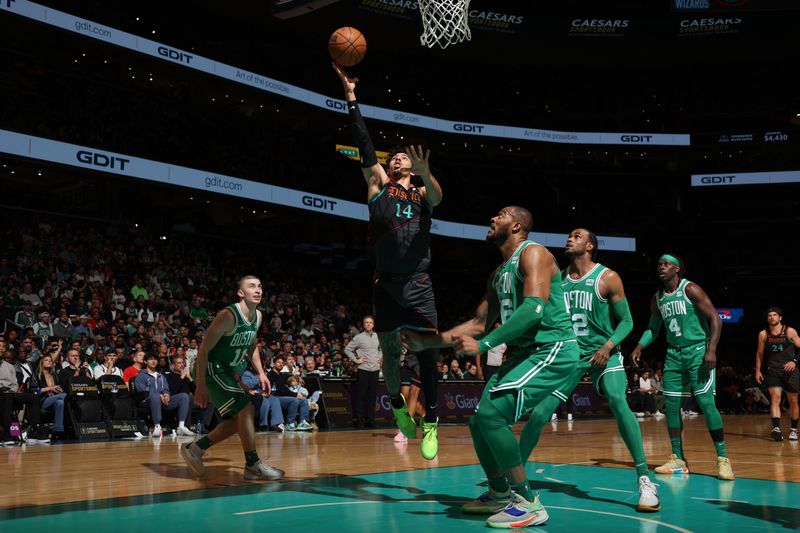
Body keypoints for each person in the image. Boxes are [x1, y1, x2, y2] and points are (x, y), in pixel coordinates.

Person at [404, 206, 578, 528]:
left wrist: (483, 346)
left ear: (515, 226)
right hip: (525, 353)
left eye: (499, 215)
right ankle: (499, 493)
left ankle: (527, 501)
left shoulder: (534, 254)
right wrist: (428, 342)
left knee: (491, 415)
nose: (491, 219)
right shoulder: (498, 274)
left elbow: (534, 309)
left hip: (553, 348)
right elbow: (480, 322)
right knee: (479, 422)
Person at [333, 62, 444, 460]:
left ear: (413, 167)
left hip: (417, 281)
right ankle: (397, 405)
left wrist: (427, 174)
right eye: (393, 156)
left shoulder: (424, 193)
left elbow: (436, 197)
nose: (397, 159)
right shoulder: (378, 185)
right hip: (385, 283)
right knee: (391, 356)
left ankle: (430, 420)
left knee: (428, 353)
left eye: (402, 157)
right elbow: (364, 145)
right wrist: (351, 98)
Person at [514, 228, 658, 511]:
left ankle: (645, 479)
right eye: (569, 235)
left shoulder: (607, 277)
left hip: (604, 354)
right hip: (568, 354)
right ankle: (513, 481)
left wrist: (608, 345)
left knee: (618, 401)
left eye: (577, 236)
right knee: (540, 413)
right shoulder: (558, 279)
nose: (570, 238)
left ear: (590, 246)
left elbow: (627, 322)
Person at [631, 254, 734, 480]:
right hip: (674, 355)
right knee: (671, 406)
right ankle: (678, 458)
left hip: (698, 350)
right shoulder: (657, 298)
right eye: (659, 265)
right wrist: (639, 345)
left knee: (707, 404)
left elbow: (716, 318)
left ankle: (723, 459)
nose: (661, 267)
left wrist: (712, 349)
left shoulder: (691, 290)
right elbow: (653, 328)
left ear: (677, 268)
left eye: (666, 264)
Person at [180, 275, 284, 480]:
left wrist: (261, 372)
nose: (258, 290)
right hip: (211, 368)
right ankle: (252, 464)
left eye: (260, 286)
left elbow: (251, 344)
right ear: (240, 293)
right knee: (246, 408)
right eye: (251, 286)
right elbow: (203, 351)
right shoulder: (228, 316)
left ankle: (195, 449)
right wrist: (200, 385)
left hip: (226, 371)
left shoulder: (258, 316)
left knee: (237, 421)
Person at [754, 307, 800, 441]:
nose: (772, 317)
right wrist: (757, 370)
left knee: (793, 400)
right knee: (775, 398)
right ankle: (776, 428)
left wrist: (794, 361)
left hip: (791, 372)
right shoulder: (763, 334)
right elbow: (760, 353)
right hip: (773, 371)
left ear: (780, 318)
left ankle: (793, 430)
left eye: (774, 315)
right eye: (769, 315)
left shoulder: (789, 331)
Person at [344, 315, 382, 428]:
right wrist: (356, 360)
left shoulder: (378, 336)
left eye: (370, 322)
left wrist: (380, 358)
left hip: (375, 370)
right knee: (361, 396)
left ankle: (371, 420)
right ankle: (360, 420)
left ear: (373, 325)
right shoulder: (358, 337)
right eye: (366, 322)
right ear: (363, 324)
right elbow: (347, 349)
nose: (368, 324)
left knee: (372, 396)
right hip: (363, 370)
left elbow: (382, 349)